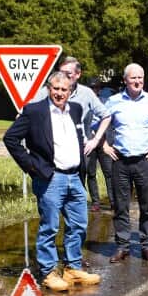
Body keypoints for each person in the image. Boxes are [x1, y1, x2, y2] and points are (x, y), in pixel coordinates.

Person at [2, 71, 102, 292]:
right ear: (49, 88)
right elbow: (10, 138)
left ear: (70, 91)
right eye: (55, 88)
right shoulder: (34, 111)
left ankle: (72, 268)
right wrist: (31, 166)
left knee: (78, 225)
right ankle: (48, 272)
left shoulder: (75, 110)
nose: (59, 93)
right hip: (50, 178)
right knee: (50, 227)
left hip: (75, 177)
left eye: (64, 89)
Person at [91, 64, 148, 263]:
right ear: (125, 80)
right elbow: (96, 123)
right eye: (133, 78)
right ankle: (123, 246)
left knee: (147, 207)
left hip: (145, 161)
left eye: (140, 78)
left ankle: (147, 247)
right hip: (121, 162)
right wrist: (104, 146)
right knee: (121, 207)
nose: (137, 81)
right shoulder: (113, 102)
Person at [58, 58, 107, 210]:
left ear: (78, 74)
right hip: (57, 150)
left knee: (79, 185)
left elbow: (106, 115)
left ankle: (79, 219)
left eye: (68, 73)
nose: (64, 77)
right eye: (61, 73)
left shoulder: (86, 93)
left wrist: (95, 140)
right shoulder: (52, 90)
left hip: (79, 149)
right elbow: (30, 108)